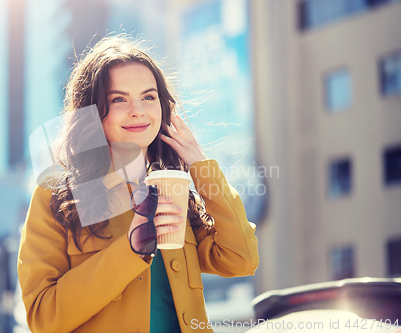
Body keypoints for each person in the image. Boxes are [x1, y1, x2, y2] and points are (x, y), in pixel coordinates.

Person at [17, 34, 259, 333]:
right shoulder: (56, 194)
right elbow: (43, 318)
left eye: (148, 96)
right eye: (118, 99)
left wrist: (201, 167)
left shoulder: (175, 189)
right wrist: (130, 250)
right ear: (92, 113)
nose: (138, 111)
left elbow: (241, 260)